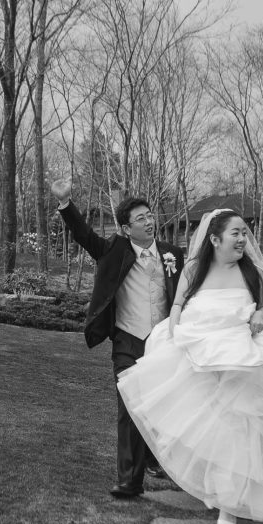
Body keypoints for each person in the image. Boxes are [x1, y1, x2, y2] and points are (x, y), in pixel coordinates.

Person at [117, 209, 263, 524]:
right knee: (207, 428)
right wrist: (175, 332)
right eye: (236, 233)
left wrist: (262, 315)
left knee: (241, 427)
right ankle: (216, 485)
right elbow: (177, 306)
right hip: (201, 353)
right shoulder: (193, 270)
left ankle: (230, 505)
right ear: (214, 239)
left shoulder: (252, 273)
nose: (243, 239)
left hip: (242, 354)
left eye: (245, 232)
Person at [50, 178, 185, 498]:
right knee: (130, 408)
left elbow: (184, 294)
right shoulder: (114, 250)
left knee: (166, 408)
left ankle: (159, 458)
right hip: (128, 341)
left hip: (164, 344)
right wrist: (66, 204)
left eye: (150, 215)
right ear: (126, 229)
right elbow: (84, 236)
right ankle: (129, 481)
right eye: (141, 218)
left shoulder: (172, 254)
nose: (149, 221)